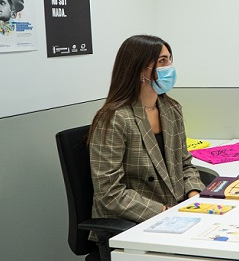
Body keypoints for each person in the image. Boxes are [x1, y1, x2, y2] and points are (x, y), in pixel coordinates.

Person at [88, 35, 205, 237]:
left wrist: (195, 196)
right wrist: (164, 213)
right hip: (134, 223)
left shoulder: (171, 109)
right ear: (140, 69)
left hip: (177, 214)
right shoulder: (114, 119)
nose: (169, 67)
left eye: (169, 59)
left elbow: (185, 164)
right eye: (162, 61)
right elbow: (109, 193)